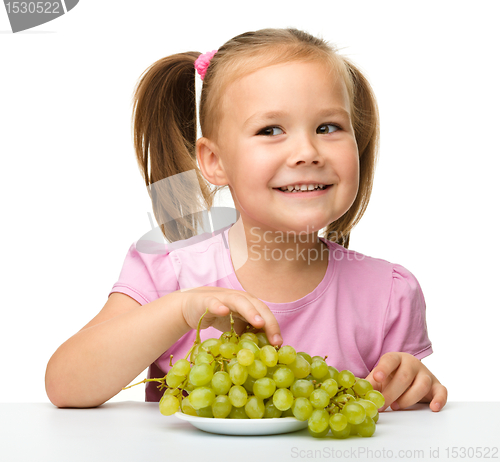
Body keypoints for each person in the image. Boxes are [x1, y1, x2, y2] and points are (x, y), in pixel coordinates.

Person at [45, 28, 447, 413]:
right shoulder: (170, 270)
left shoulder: (390, 294)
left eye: (328, 127)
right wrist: (181, 311)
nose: (307, 151)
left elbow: (399, 417)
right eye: (271, 129)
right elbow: (65, 386)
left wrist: (413, 384)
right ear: (215, 162)